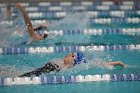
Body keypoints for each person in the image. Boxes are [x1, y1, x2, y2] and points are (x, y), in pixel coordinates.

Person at [19, 52, 127, 77]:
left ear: (73, 61)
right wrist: (118, 62)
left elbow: (99, 64)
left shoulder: (67, 67)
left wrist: (118, 63)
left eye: (72, 55)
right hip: (40, 71)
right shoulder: (60, 63)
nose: (68, 54)